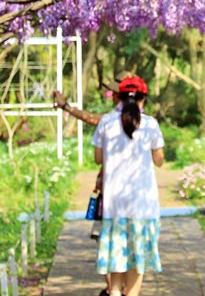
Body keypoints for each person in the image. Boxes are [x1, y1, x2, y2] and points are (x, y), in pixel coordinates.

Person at [93, 76, 165, 296]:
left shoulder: (106, 122)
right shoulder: (151, 124)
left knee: (117, 267)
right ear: (143, 98)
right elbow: (159, 160)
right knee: (137, 263)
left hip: (115, 208)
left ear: (119, 97)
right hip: (143, 207)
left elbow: (97, 158)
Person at [55, 77, 123, 296]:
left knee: (104, 237)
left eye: (114, 92)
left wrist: (65, 106)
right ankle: (120, 288)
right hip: (124, 194)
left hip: (111, 192)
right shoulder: (146, 121)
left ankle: (114, 288)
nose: (111, 96)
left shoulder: (113, 120)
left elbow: (92, 121)